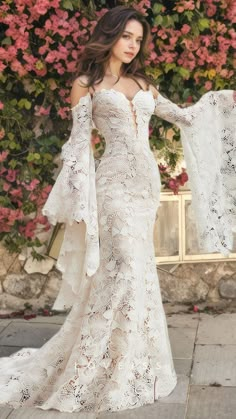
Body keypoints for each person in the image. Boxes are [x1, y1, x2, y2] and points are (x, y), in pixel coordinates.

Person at [0, 5, 235, 415]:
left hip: (146, 190)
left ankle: (131, 361)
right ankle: (97, 367)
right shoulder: (85, 86)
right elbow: (77, 149)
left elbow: (185, 117)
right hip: (112, 190)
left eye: (138, 39)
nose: (132, 45)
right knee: (123, 265)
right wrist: (76, 202)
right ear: (109, 36)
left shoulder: (143, 83)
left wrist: (223, 102)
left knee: (136, 272)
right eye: (126, 36)